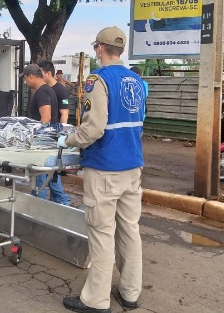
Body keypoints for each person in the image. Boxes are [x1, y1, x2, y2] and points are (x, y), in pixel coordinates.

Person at [58, 26, 145, 312]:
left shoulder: (99, 80)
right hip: (133, 166)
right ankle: (130, 294)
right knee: (129, 231)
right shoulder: (136, 80)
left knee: (102, 233)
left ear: (99, 48)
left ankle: (95, 300)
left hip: (105, 167)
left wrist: (70, 139)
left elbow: (93, 128)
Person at [20, 63, 62, 202]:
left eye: (26, 79)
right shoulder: (49, 90)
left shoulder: (41, 93)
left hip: (43, 144)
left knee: (40, 182)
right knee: (51, 178)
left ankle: (38, 208)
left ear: (31, 76)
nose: (25, 83)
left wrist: (37, 140)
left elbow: (46, 118)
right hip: (51, 142)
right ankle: (61, 205)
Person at [36, 60, 71, 206]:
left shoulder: (60, 90)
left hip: (53, 137)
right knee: (48, 175)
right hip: (45, 138)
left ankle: (47, 206)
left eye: (40, 73)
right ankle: (54, 205)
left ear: (48, 73)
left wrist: (62, 135)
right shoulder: (44, 90)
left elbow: (64, 113)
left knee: (47, 175)